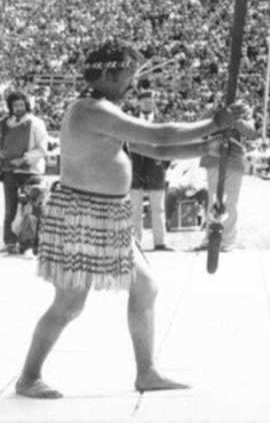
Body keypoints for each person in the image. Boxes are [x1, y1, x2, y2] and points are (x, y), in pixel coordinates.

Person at [15, 40, 245, 399]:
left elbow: (156, 150)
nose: (131, 84)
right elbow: (161, 134)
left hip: (109, 217)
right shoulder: (88, 110)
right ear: (106, 74)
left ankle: (147, 372)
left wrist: (206, 146)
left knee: (145, 286)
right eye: (127, 75)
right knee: (69, 304)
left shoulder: (105, 109)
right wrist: (215, 122)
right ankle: (28, 377)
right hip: (81, 216)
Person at [195, 105, 258, 252]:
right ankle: (210, 237)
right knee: (213, 200)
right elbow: (199, 127)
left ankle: (228, 239)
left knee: (230, 201)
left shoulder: (243, 110)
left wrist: (235, 119)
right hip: (213, 156)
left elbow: (252, 133)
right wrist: (214, 113)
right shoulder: (212, 110)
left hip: (234, 157)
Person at [0, 91, 49, 254]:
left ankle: (31, 244)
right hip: (10, 170)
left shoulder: (36, 123)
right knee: (10, 209)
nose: (18, 108)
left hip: (31, 172)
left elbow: (42, 148)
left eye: (21, 104)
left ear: (26, 105)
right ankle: (10, 242)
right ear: (11, 107)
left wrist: (24, 159)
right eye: (15, 105)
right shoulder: (4, 123)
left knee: (33, 209)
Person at [129, 90, 172, 251]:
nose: (147, 103)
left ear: (154, 103)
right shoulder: (131, 121)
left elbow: (169, 142)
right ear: (138, 103)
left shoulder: (161, 122)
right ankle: (135, 242)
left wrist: (164, 163)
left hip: (156, 165)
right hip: (136, 166)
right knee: (135, 207)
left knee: (158, 207)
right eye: (144, 101)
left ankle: (160, 242)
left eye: (150, 101)